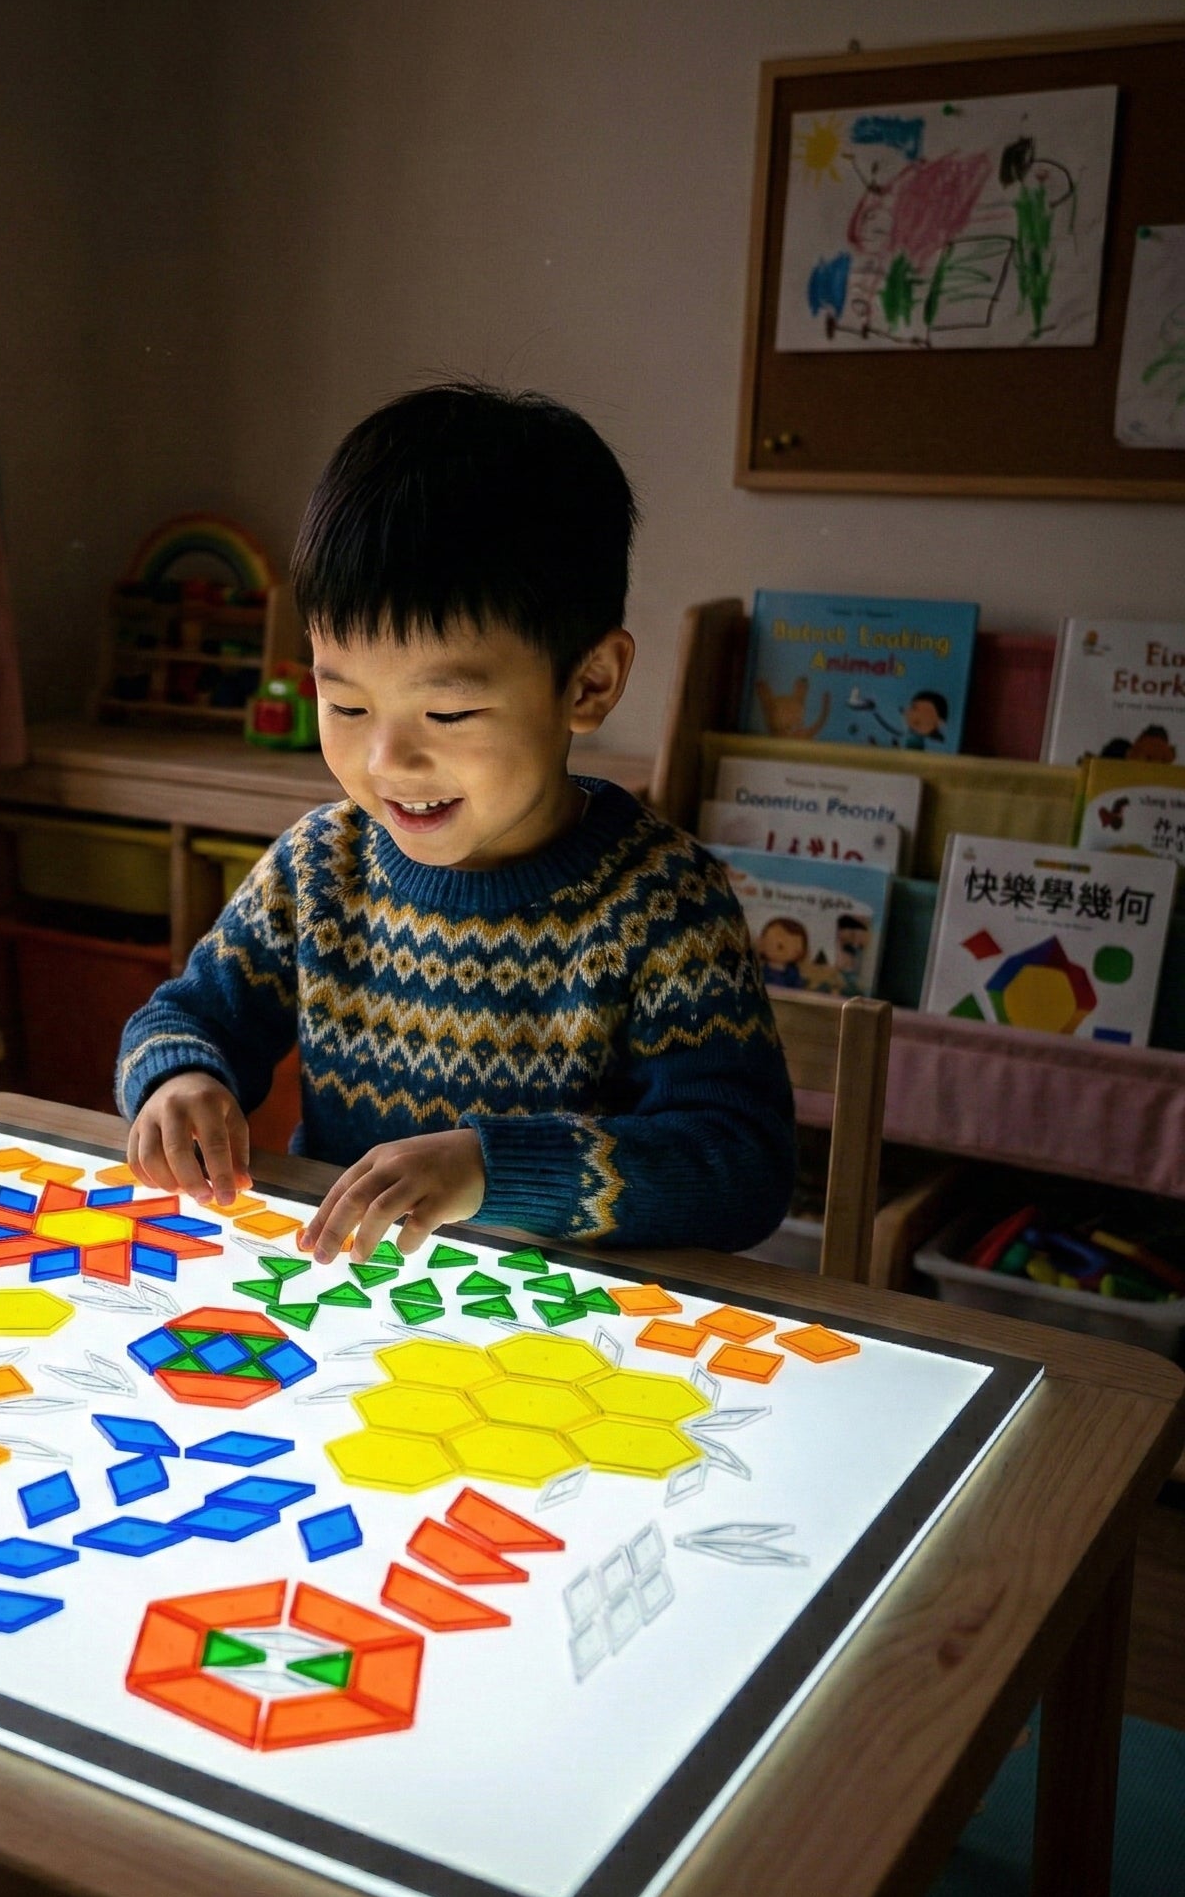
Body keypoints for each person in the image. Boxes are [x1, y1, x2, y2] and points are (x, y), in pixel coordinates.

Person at [115, 381, 796, 1257]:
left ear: (588, 684)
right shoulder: (320, 866)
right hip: (353, 1304)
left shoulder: (662, 903)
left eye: (448, 716)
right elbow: (185, 1018)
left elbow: (740, 1167)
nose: (386, 761)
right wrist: (179, 1080)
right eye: (346, 705)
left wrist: (494, 1167)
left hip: (569, 1341)